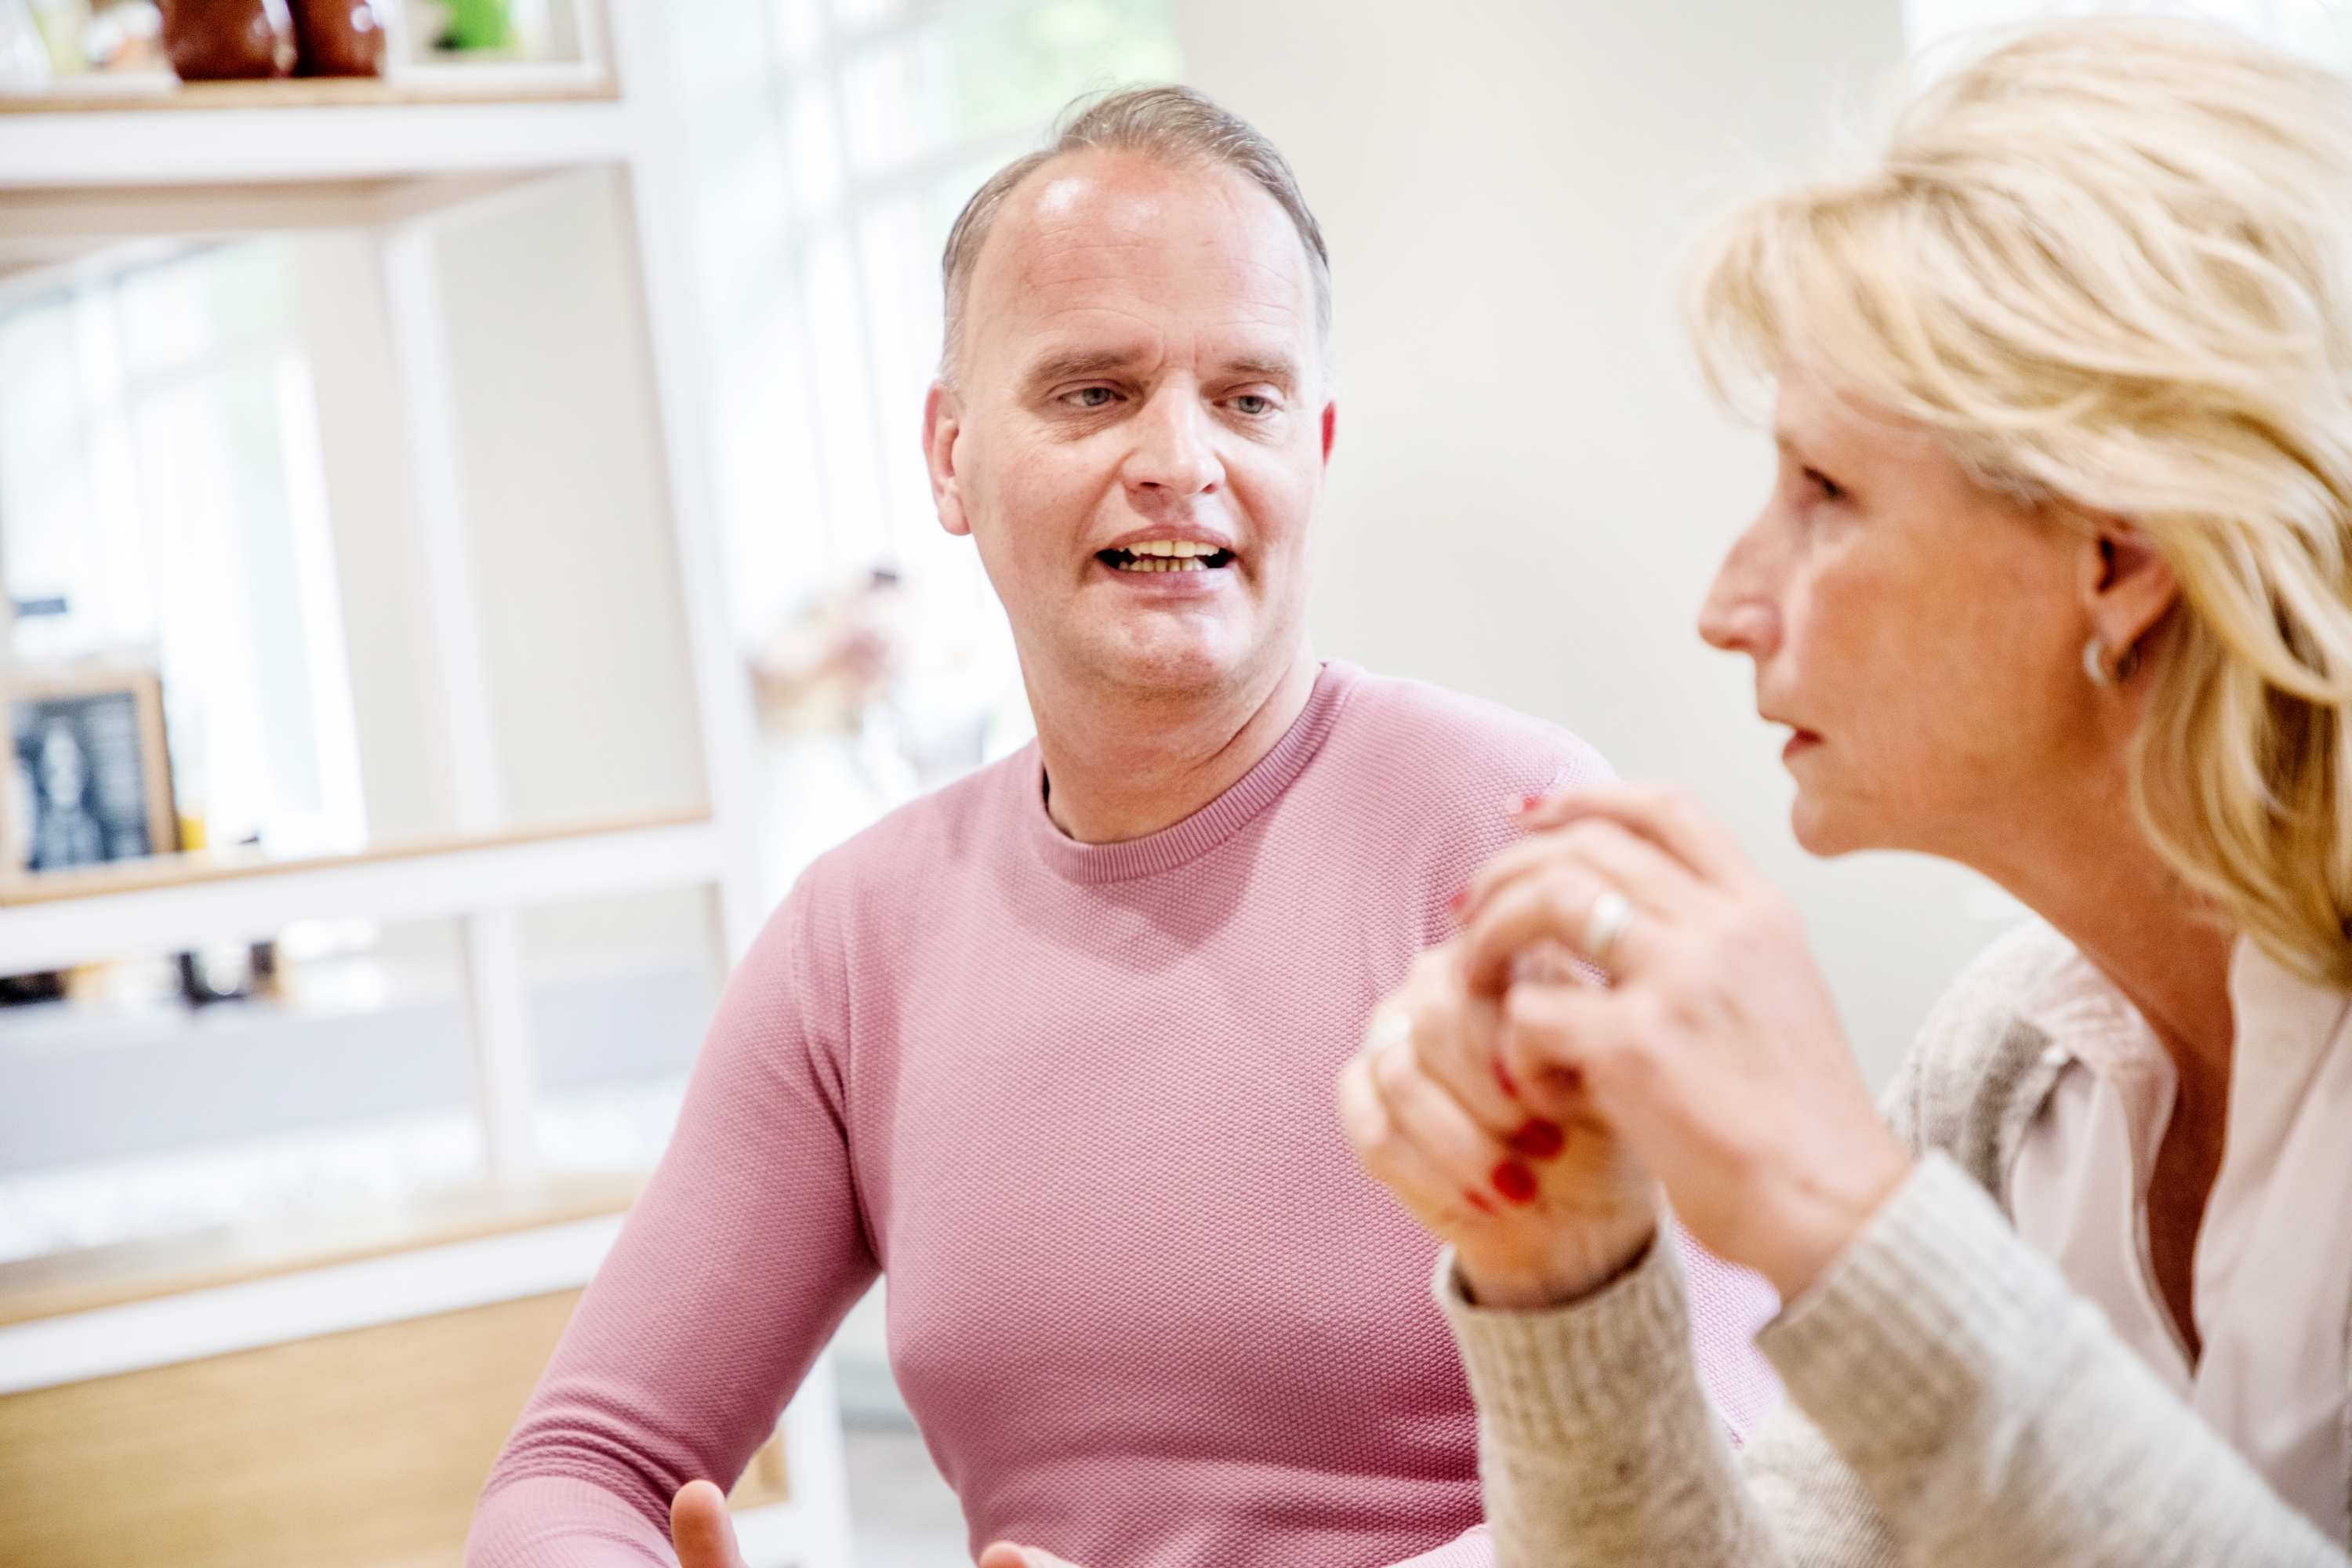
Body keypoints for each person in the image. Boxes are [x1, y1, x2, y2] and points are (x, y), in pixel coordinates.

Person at [465, 86, 1778, 1568]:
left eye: (1248, 398)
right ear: (950, 456)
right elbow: (580, 1466)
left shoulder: (1517, 838)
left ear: (1316, 446)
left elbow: (1730, 1470)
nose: (1180, 459)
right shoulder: (857, 940)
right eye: (1094, 392)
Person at [1341, 16, 2352, 1567]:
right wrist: (1569, 1279)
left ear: (2120, 555)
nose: (1728, 605)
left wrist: (1848, 1218)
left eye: (1823, 492)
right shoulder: (2007, 1065)